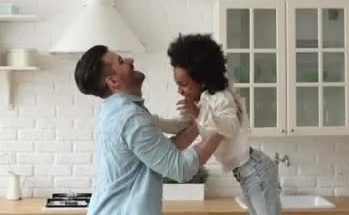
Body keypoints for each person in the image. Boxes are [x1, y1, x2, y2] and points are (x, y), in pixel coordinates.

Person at [74, 45, 202, 215]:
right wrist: (220, 128)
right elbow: (181, 168)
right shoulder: (130, 117)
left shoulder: (117, 110)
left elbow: (165, 153)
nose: (130, 61)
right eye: (121, 61)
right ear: (113, 81)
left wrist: (202, 122)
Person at [167, 34, 281, 215]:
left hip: (256, 172)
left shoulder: (221, 98)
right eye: (177, 84)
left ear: (202, 80)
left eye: (184, 84)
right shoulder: (205, 101)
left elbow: (231, 126)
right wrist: (153, 122)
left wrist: (198, 113)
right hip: (248, 174)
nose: (180, 90)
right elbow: (182, 127)